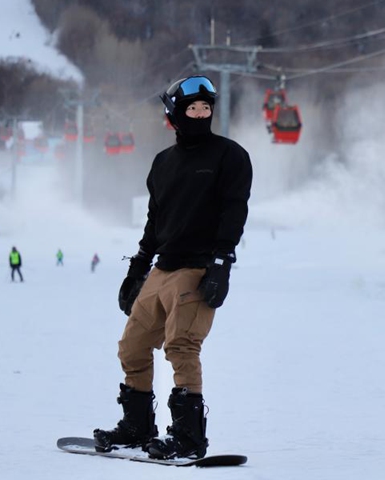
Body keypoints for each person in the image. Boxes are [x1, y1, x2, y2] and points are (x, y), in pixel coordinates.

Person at [93, 75, 253, 460]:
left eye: (205, 108)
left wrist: (221, 263)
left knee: (182, 347)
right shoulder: (163, 163)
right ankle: (136, 426)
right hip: (163, 269)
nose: (200, 115)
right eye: (191, 109)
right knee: (132, 346)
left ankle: (188, 437)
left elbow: (234, 212)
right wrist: (138, 267)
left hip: (198, 268)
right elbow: (155, 221)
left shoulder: (230, 156)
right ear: (174, 116)